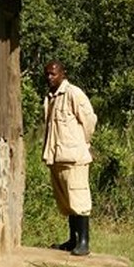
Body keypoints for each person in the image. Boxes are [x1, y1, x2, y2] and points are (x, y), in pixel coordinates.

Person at [42, 61, 97, 256]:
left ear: (62, 74)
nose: (50, 77)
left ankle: (84, 242)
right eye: (47, 74)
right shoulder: (50, 98)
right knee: (67, 202)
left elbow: (89, 119)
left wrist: (83, 143)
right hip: (57, 157)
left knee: (79, 199)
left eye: (53, 74)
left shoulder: (74, 93)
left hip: (74, 157)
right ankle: (73, 239)